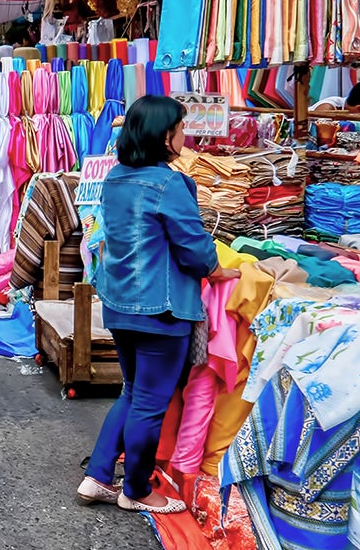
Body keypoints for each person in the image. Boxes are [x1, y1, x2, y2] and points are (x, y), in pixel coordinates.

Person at [77, 95, 239, 514]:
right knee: (150, 401)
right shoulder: (170, 183)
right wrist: (218, 270)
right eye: (181, 129)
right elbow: (193, 246)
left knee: (133, 393)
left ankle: (97, 476)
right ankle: (136, 489)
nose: (184, 136)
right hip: (161, 311)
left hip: (120, 304)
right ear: (166, 137)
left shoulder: (115, 178)